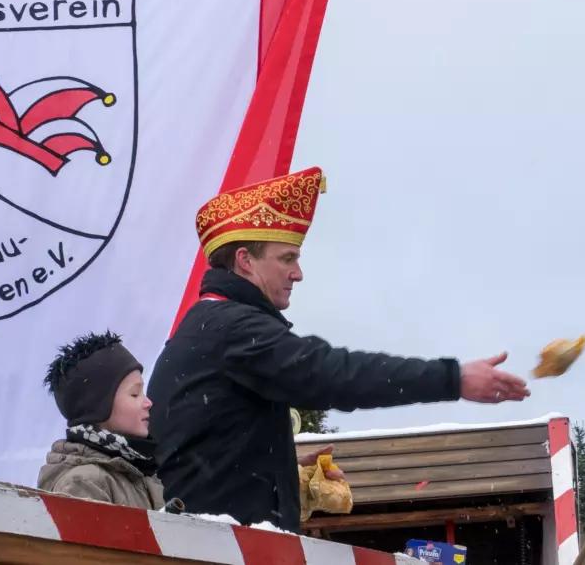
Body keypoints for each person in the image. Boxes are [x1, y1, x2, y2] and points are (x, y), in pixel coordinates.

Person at [147, 166, 531, 531]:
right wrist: (454, 379)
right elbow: (332, 374)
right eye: (288, 258)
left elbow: (210, 456)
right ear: (245, 261)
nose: (298, 273)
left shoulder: (210, 325)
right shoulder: (231, 327)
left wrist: (282, 472)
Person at [37, 331, 164, 510]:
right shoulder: (83, 483)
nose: (148, 403)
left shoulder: (139, 470)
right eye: (135, 394)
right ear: (99, 406)